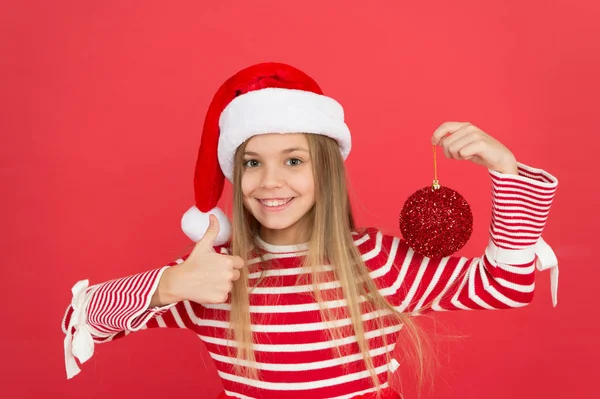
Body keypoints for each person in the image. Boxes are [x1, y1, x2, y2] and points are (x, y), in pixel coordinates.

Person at [62, 62, 559, 399]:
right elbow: (84, 319)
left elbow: (505, 285)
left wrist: (507, 171)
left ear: (326, 170)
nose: (270, 181)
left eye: (293, 160)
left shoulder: (380, 265)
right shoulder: (211, 275)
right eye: (253, 162)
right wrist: (169, 285)